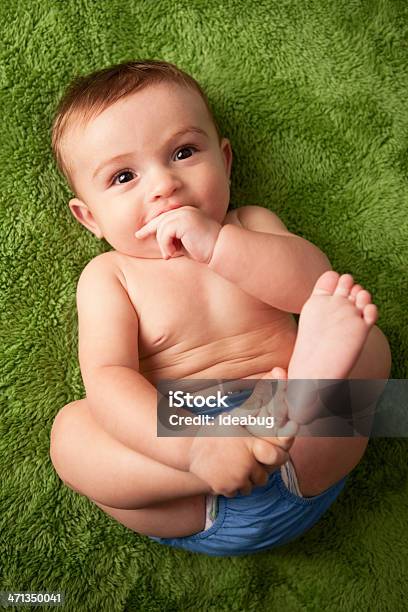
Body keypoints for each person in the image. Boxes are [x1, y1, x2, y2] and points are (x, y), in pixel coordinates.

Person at [49, 60, 391, 556]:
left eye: (183, 152)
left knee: (365, 341)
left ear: (224, 161)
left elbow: (313, 285)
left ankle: (296, 405)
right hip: (186, 462)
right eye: (124, 176)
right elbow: (108, 377)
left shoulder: (248, 225)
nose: (163, 184)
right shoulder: (111, 276)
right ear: (89, 217)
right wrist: (197, 448)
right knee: (71, 436)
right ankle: (213, 456)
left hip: (293, 432)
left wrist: (219, 246)